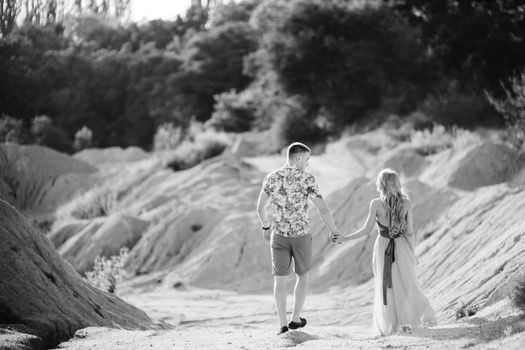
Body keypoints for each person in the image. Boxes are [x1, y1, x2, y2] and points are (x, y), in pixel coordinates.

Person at [337, 168, 436, 335]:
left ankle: (392, 325)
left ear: (380, 185)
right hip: (402, 246)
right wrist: (413, 253)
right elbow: (410, 231)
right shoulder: (406, 203)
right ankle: (411, 320)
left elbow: (366, 230)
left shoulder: (375, 204)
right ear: (397, 184)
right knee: (407, 283)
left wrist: (345, 238)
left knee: (388, 286)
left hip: (383, 247)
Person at [257, 142, 341, 335]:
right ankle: (296, 318)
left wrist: (266, 226)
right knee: (302, 276)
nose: (308, 164)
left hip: (278, 236)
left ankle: (282, 324)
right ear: (298, 158)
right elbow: (323, 209)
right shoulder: (307, 179)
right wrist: (333, 230)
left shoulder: (271, 177)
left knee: (280, 280)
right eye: (307, 159)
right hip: (301, 235)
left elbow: (260, 208)